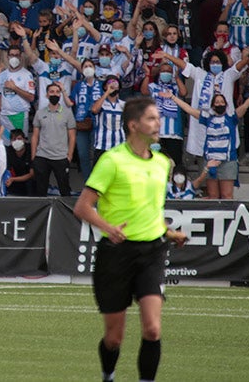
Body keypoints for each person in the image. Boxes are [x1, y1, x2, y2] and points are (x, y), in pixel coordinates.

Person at [72, 97, 188, 382]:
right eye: (151, 118)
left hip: (152, 253)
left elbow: (151, 210)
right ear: (133, 125)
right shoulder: (112, 160)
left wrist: (168, 233)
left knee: (152, 329)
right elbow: (82, 207)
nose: (158, 123)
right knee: (114, 338)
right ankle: (108, 375)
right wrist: (108, 227)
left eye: (158, 118)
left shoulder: (162, 163)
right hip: (116, 254)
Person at [30, 82, 76, 196]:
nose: (54, 94)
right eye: (51, 92)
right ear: (46, 95)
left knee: (65, 190)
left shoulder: (67, 113)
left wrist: (69, 156)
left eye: (57, 92)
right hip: (42, 156)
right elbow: (35, 136)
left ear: (60, 94)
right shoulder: (40, 113)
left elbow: (72, 136)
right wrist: (33, 157)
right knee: (40, 190)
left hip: (61, 157)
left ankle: (65, 214)